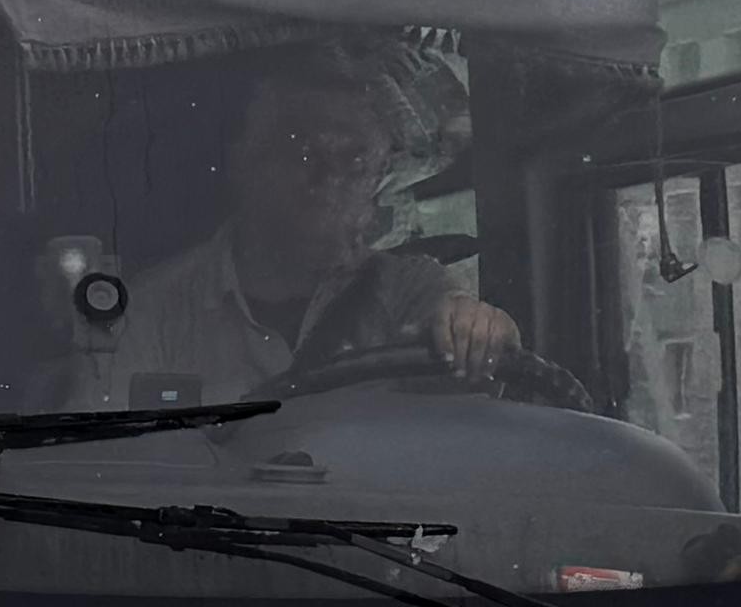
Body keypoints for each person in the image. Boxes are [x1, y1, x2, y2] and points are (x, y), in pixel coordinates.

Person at [97, 49, 527, 406]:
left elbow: (465, 366)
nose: (329, 178)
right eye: (302, 152)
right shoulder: (153, 313)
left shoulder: (409, 292)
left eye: (354, 158)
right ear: (244, 163)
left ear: (377, 176)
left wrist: (478, 332)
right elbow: (105, 461)